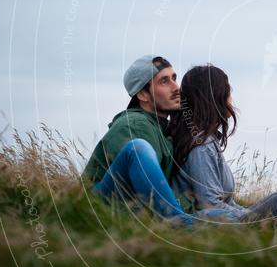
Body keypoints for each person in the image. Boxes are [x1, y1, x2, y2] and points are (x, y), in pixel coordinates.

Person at [169, 64, 277, 226]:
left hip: (222, 217)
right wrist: (248, 217)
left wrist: (248, 213)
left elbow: (227, 202)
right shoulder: (202, 145)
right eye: (227, 91)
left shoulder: (204, 139)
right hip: (208, 221)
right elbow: (209, 204)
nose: (231, 98)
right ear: (214, 98)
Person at [82, 54, 196, 226]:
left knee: (217, 214)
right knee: (138, 148)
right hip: (94, 208)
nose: (176, 88)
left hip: (133, 208)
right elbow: (135, 192)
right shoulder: (135, 125)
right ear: (143, 94)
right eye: (164, 81)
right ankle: (181, 224)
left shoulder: (159, 128)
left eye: (174, 78)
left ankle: (244, 220)